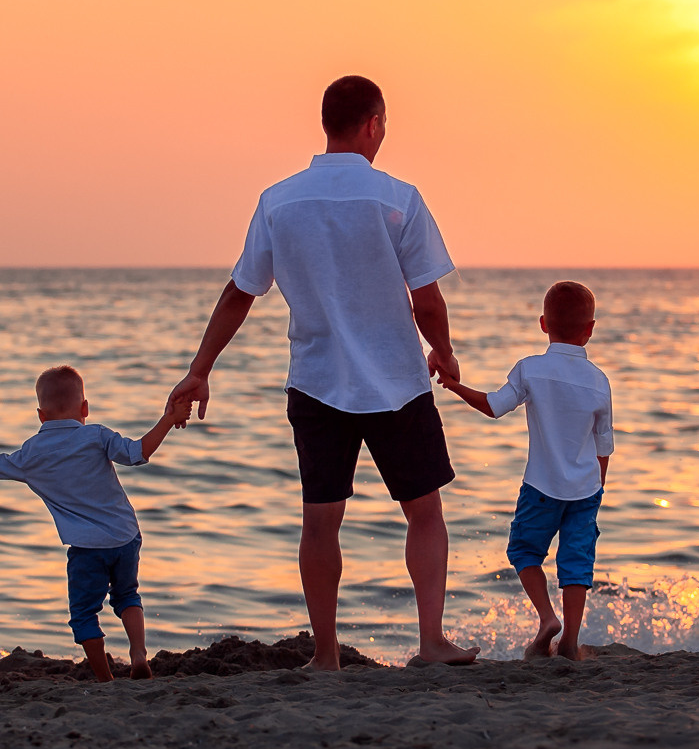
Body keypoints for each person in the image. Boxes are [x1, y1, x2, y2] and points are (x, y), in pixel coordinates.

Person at [166, 74, 474, 670]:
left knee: (320, 523)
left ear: (326, 124)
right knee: (424, 513)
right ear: (373, 124)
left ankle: (326, 654)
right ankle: (431, 641)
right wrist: (443, 351)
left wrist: (199, 370)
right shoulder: (398, 198)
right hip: (396, 382)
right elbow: (427, 301)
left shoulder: (279, 200)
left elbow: (240, 292)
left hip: (316, 383)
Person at [0, 366, 186, 682]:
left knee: (84, 614)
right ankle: (139, 654)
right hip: (126, 536)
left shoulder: (31, 453)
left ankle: (105, 680)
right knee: (128, 596)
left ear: (40, 415)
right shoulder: (97, 435)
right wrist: (168, 420)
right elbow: (138, 453)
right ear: (85, 408)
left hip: (87, 548)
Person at [441, 280, 614, 660]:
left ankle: (548, 618)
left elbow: (493, 406)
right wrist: (597, 485)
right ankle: (569, 643)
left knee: (524, 550)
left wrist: (454, 386)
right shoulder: (599, 381)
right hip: (586, 490)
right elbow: (604, 443)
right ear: (590, 329)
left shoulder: (530, 370)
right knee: (577, 564)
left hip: (541, 486)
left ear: (543, 324)